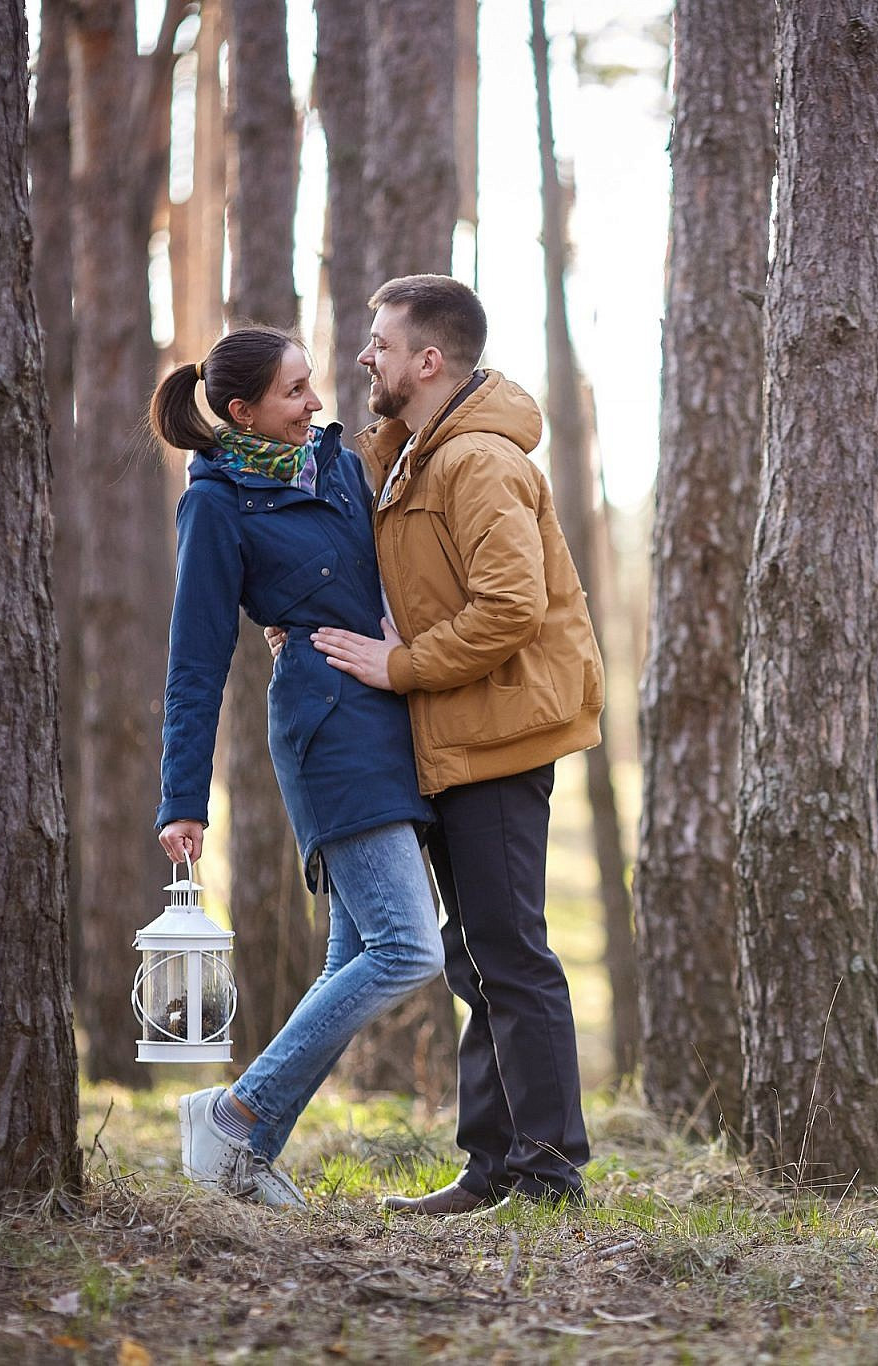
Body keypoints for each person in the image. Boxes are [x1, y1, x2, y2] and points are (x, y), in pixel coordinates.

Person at [282, 275, 604, 1213]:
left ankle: (549, 1175)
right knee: (476, 957)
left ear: (427, 360)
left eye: (378, 343)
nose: (362, 359)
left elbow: (509, 605)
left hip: (498, 735)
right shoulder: (415, 457)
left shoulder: (477, 463)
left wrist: (401, 667)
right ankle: (492, 1166)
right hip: (457, 735)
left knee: (510, 955)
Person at [152, 325, 443, 1209]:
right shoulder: (216, 502)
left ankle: (245, 1150)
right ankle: (235, 1116)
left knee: (359, 950)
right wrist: (182, 798)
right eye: (294, 393)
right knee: (407, 946)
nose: (316, 403)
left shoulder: (336, 460)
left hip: (387, 710)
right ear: (243, 412)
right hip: (325, 727)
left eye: (312, 384)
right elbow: (195, 664)